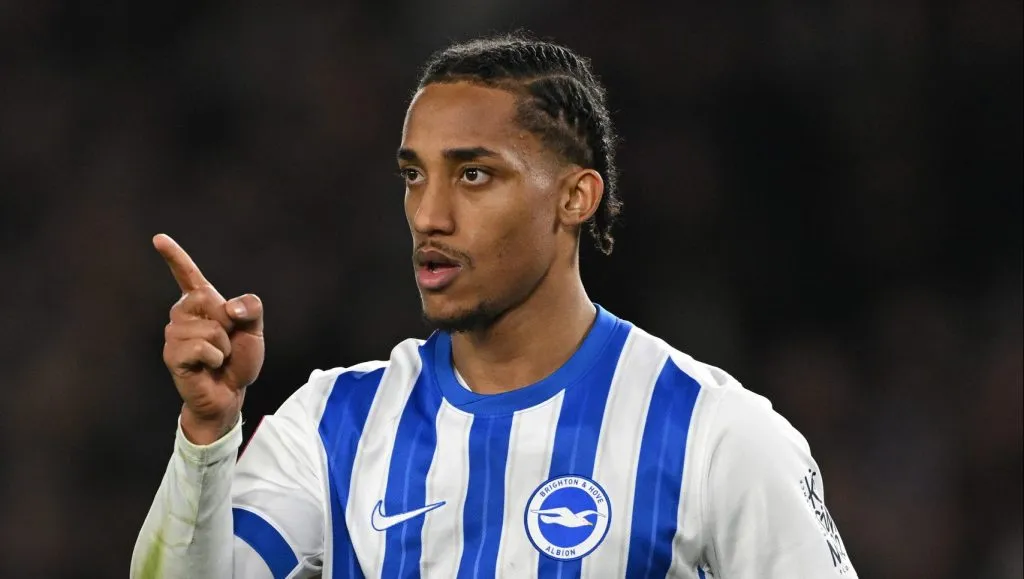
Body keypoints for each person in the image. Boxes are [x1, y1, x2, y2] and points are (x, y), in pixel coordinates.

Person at [131, 33, 857, 579]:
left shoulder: (717, 436)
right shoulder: (334, 426)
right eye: (414, 176)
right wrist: (207, 434)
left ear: (575, 197)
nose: (429, 215)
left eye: (474, 174)